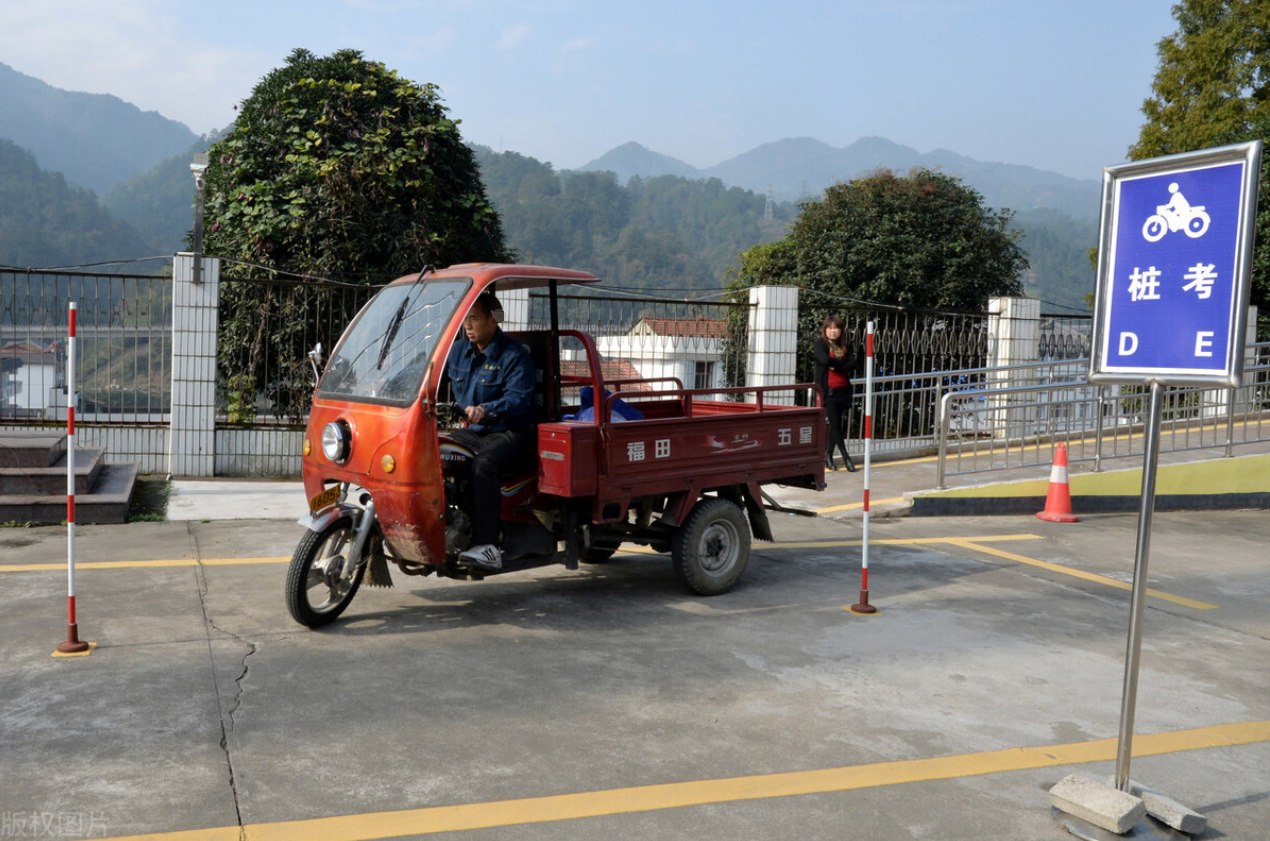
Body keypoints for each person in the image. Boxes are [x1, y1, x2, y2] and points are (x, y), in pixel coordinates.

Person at [444, 291, 537, 570]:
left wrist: (485, 410)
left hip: (512, 432)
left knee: (483, 466)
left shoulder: (515, 356)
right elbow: (432, 376)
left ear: (493, 321)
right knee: (435, 450)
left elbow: (519, 400)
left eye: (474, 319)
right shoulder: (459, 351)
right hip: (474, 432)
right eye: (465, 320)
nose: (467, 326)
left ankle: (487, 546)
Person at [813, 315, 857, 472]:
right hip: (828, 391)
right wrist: (842, 365)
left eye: (836, 328)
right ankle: (846, 457)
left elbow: (852, 364)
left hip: (843, 390)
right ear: (825, 330)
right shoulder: (820, 344)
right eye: (830, 328)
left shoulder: (846, 345)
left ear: (841, 331)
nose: (833, 331)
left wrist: (837, 367)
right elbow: (824, 361)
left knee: (835, 424)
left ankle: (828, 457)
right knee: (836, 424)